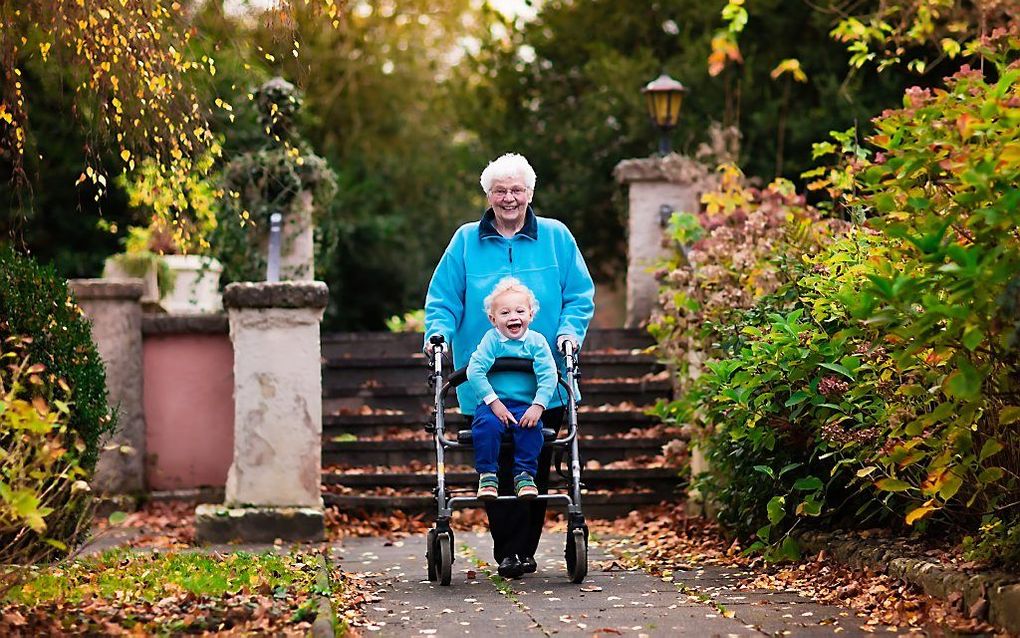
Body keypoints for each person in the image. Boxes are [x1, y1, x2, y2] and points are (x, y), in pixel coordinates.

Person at [424, 152, 595, 579]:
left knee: (534, 459)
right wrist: (437, 336)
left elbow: (579, 294)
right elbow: (443, 299)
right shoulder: (465, 241)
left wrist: (570, 332)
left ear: (530, 193)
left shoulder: (556, 237)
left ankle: (523, 549)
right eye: (500, 191)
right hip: (483, 382)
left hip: (544, 378)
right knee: (494, 461)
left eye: (516, 190)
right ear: (488, 195)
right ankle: (508, 551)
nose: (509, 198)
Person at [468, 277, 558, 502]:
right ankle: (488, 475)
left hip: (525, 405)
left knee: (531, 427)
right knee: (485, 425)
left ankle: (524, 475)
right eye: (505, 313)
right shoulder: (492, 340)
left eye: (519, 311)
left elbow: (549, 374)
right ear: (493, 319)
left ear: (530, 315)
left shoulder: (536, 342)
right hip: (493, 405)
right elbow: (475, 370)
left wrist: (538, 406)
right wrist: (494, 402)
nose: (513, 317)